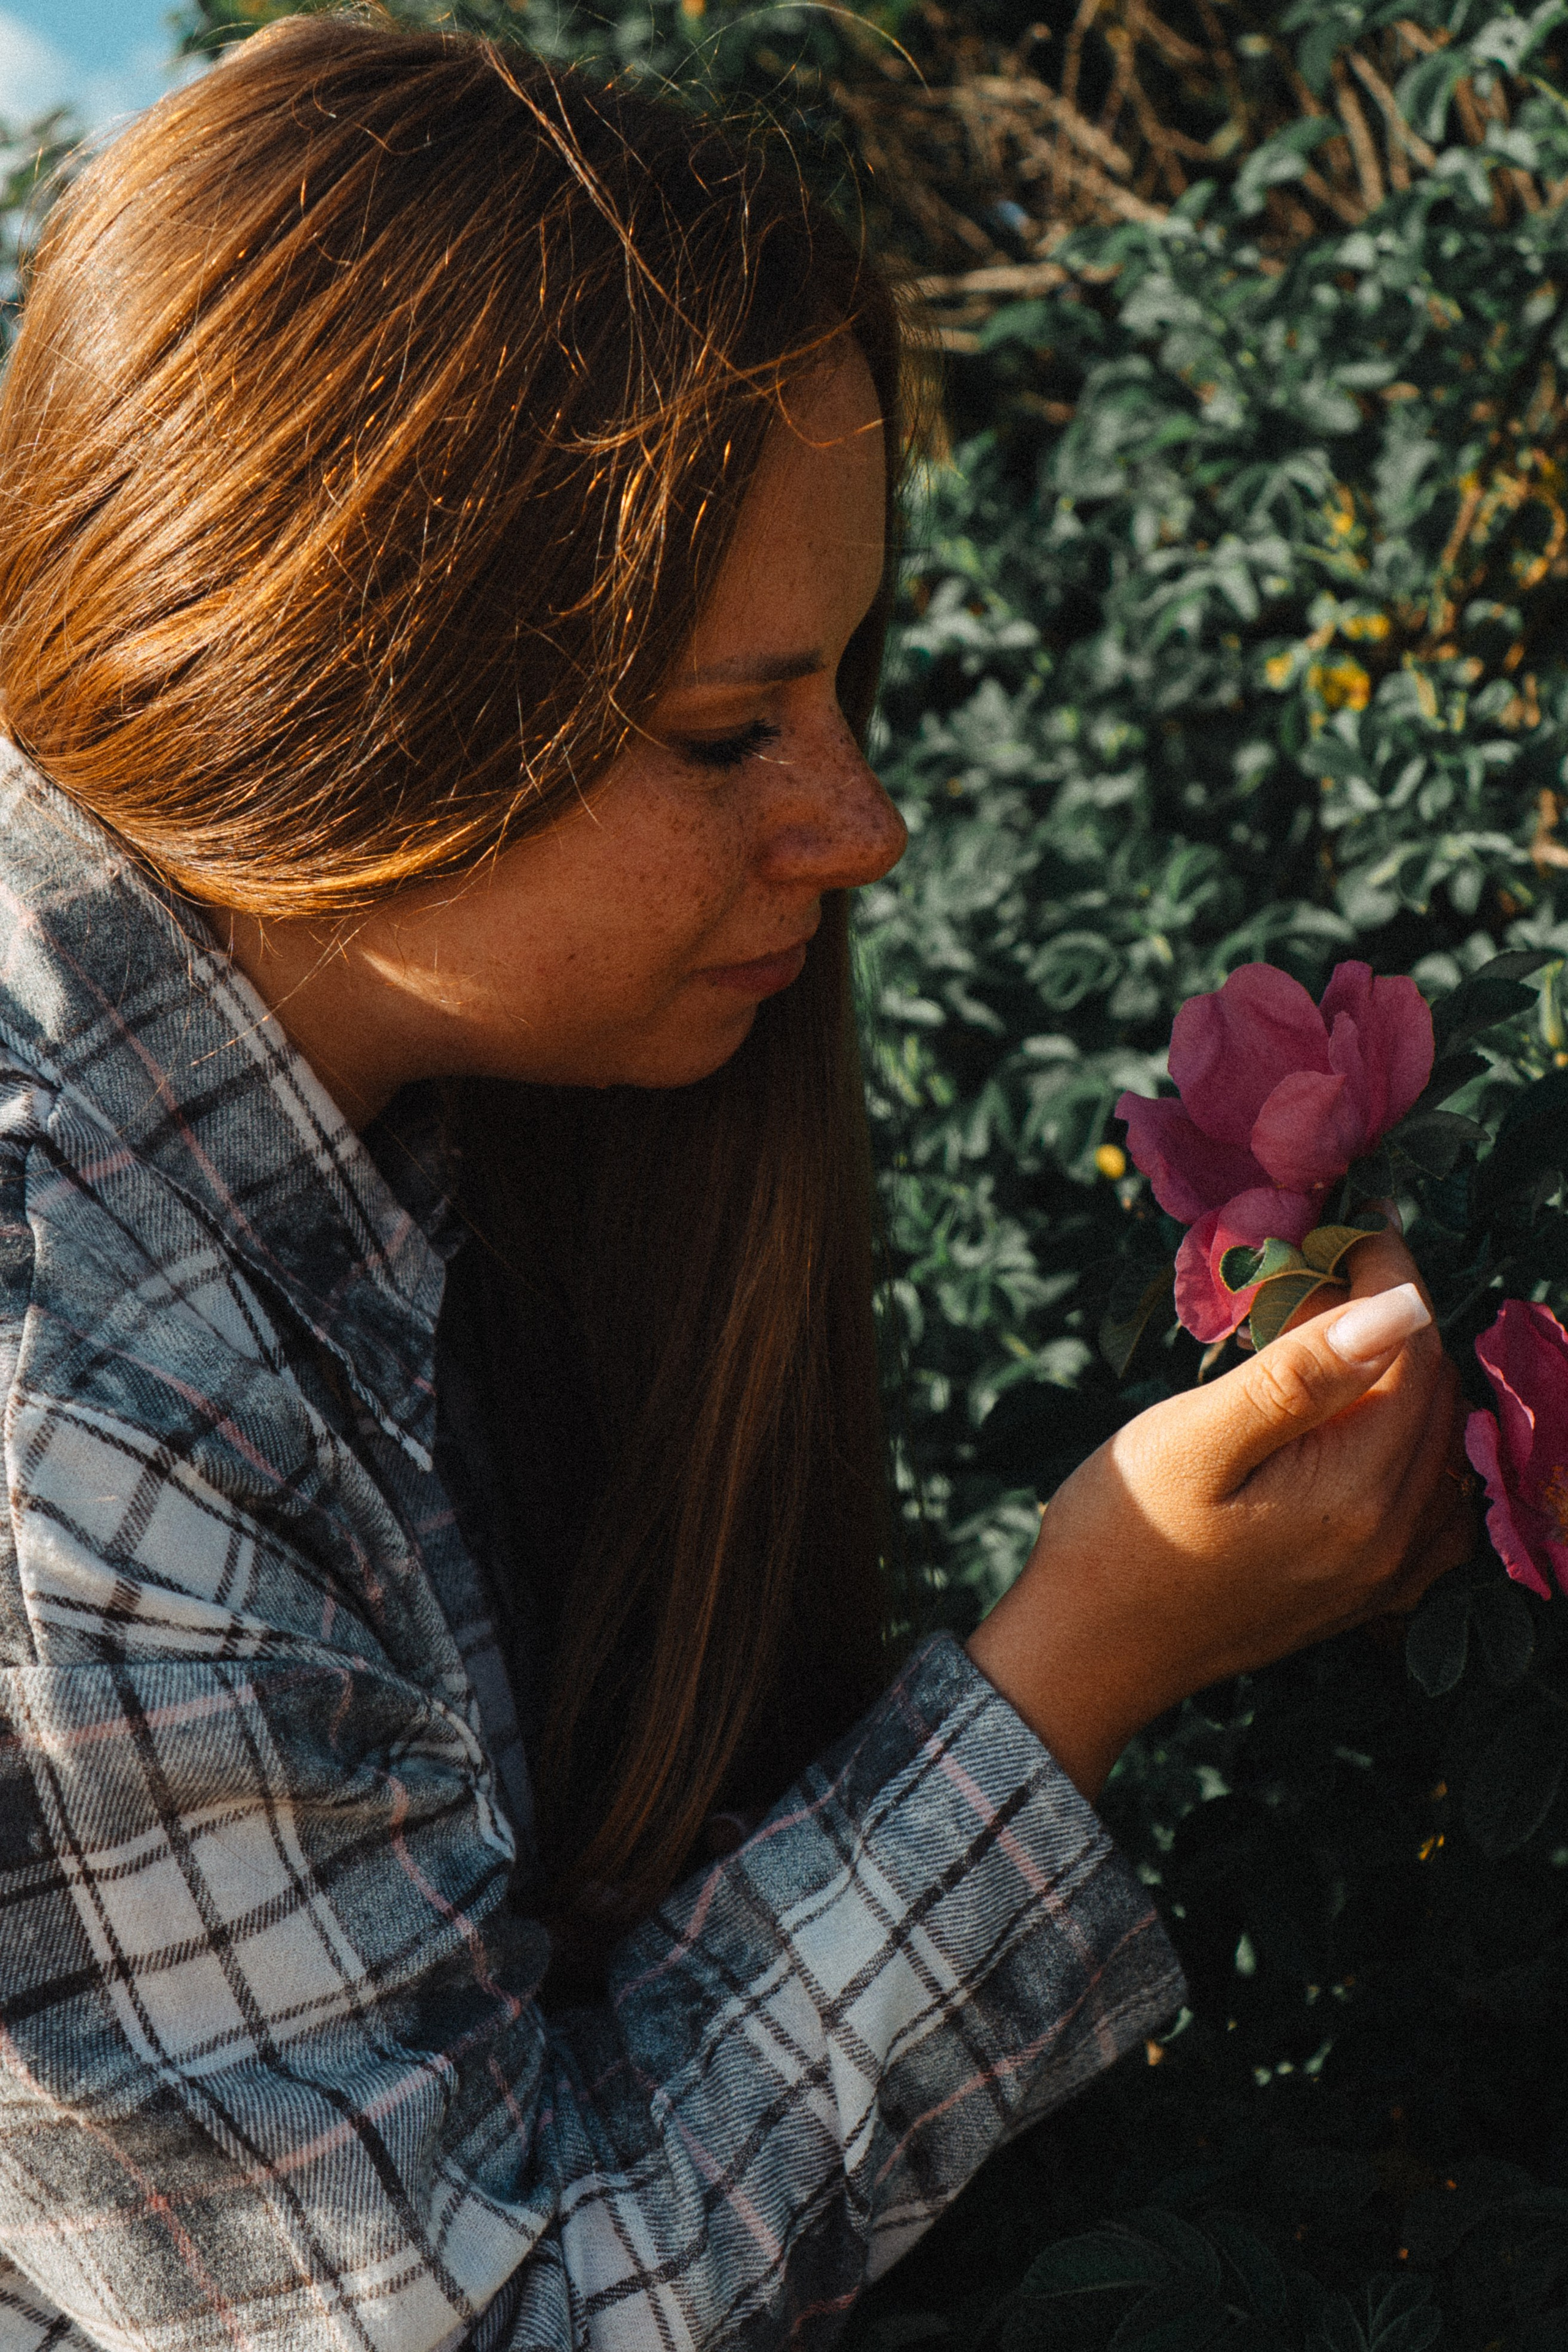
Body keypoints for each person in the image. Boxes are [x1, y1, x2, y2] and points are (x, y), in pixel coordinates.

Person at [0, 15, 1469, 2352]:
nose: (865, 825)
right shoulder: (73, 1434)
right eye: (726, 733)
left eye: (851, 686)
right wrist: (1083, 1659)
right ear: (334, 687)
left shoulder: (388, 1128)